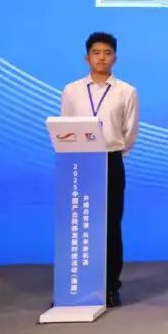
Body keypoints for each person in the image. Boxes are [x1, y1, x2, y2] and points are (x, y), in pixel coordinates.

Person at [59, 32, 139, 308]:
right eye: (96, 52)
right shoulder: (71, 90)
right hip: (78, 163)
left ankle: (110, 286)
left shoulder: (126, 91)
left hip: (111, 160)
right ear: (87, 58)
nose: (101, 57)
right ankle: (77, 283)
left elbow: (129, 132)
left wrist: (112, 152)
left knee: (110, 225)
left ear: (115, 58)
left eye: (107, 53)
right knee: (78, 223)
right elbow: (65, 126)